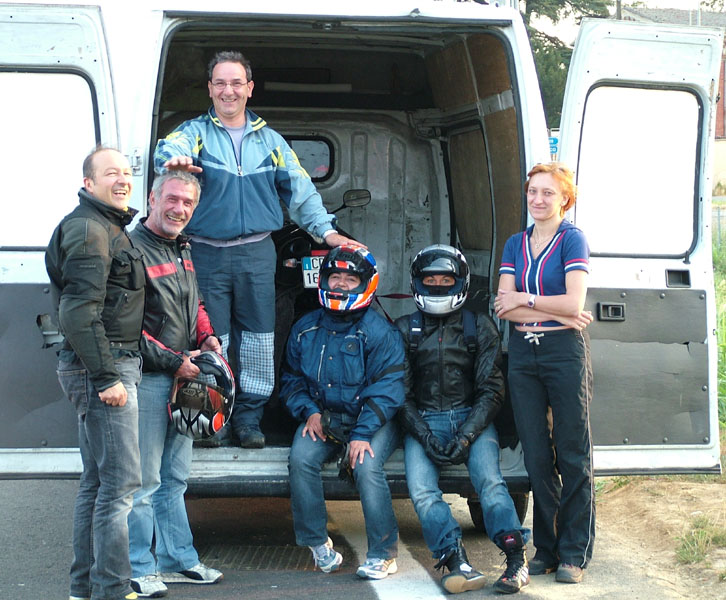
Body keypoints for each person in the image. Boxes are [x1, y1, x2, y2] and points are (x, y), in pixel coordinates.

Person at [154, 50, 356, 449]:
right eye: (220, 83)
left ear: (249, 88)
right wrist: (172, 160)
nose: (228, 91)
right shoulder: (194, 133)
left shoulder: (271, 141)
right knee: (212, 337)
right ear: (210, 89)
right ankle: (214, 417)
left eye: (236, 83)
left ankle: (249, 418)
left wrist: (328, 234)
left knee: (260, 339)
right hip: (205, 253)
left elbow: (301, 192)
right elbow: (169, 148)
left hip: (257, 253)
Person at [395, 245, 531, 595]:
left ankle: (516, 559)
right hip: (423, 420)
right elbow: (400, 395)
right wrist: (424, 435)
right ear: (417, 283)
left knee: (491, 484)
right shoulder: (404, 329)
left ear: (461, 283)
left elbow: (491, 391)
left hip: (473, 418)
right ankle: (456, 559)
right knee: (423, 492)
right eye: (430, 280)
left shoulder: (480, 326)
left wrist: (467, 435)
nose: (438, 286)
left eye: (446, 280)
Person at [46, 147, 145, 600]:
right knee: (120, 486)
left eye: (126, 172)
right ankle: (112, 590)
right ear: (89, 183)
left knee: (98, 483)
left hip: (103, 364)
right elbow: (78, 313)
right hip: (103, 369)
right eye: (110, 173)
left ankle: (86, 589)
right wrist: (107, 378)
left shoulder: (106, 226)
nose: (122, 180)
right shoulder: (90, 230)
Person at [495, 162, 595, 584]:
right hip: (524, 354)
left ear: (564, 199)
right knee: (536, 455)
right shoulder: (515, 243)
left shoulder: (572, 239)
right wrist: (546, 307)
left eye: (548, 193)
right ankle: (547, 549)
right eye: (533, 191)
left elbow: (574, 304)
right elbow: (503, 306)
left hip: (563, 352)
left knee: (572, 453)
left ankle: (573, 553)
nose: (538, 199)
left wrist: (526, 298)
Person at [126, 171, 224, 597]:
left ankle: (177, 559)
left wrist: (207, 336)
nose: (178, 208)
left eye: (187, 202)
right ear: (152, 198)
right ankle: (138, 566)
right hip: (150, 378)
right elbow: (127, 328)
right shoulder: (130, 249)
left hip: (185, 373)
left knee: (175, 478)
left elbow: (194, 302)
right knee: (144, 482)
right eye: (172, 199)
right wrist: (174, 363)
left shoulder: (183, 247)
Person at [281, 246, 404, 579]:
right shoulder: (305, 328)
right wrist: (309, 412)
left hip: (373, 420)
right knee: (300, 458)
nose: (340, 284)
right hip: (325, 417)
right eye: (335, 276)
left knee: (366, 465)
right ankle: (317, 544)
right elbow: (291, 381)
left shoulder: (380, 332)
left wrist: (362, 434)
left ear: (365, 284)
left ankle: (383, 554)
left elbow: (389, 390)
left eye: (350, 279)